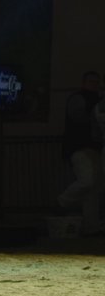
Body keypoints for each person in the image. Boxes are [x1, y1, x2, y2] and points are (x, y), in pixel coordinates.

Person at [58, 70, 102, 234]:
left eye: (96, 82)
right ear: (84, 83)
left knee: (92, 188)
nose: (94, 85)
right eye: (92, 82)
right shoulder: (82, 100)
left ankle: (92, 227)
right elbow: (81, 120)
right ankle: (62, 202)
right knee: (89, 182)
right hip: (81, 147)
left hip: (89, 148)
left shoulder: (85, 100)